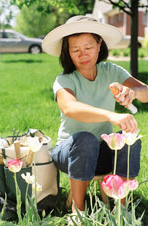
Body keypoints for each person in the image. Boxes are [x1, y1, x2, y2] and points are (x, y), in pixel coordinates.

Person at [42, 15, 148, 213]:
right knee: (85, 139)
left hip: (102, 152)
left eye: (88, 47)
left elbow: (146, 92)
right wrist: (111, 116)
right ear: (68, 52)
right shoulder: (65, 79)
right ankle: (78, 213)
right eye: (75, 50)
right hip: (71, 152)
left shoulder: (111, 71)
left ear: (100, 44)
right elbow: (70, 108)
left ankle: (122, 210)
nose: (83, 54)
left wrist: (133, 92)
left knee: (130, 140)